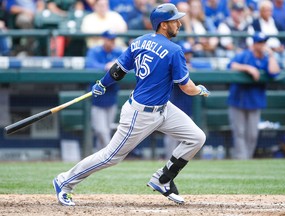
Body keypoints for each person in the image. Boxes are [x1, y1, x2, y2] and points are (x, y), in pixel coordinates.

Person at [53, 3, 210, 206]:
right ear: (163, 25)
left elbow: (118, 70)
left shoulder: (139, 41)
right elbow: (187, 88)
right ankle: (64, 181)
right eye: (175, 21)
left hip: (163, 108)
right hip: (140, 113)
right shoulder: (174, 50)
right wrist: (200, 90)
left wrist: (103, 83)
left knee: (196, 137)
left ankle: (163, 179)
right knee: (110, 156)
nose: (179, 23)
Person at [227, 32, 280, 160]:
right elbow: (231, 65)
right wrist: (248, 68)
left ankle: (248, 158)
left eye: (264, 42)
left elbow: (275, 72)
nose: (262, 45)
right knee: (239, 132)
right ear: (254, 44)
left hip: (256, 100)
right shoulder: (245, 56)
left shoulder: (267, 58)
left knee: (252, 134)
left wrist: (272, 55)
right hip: (238, 99)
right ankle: (241, 159)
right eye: (260, 42)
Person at [85, 30, 123, 152]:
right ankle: (110, 152)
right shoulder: (95, 51)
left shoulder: (117, 51)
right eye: (109, 39)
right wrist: (105, 66)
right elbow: (89, 65)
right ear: (104, 39)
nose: (111, 42)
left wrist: (114, 64)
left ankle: (100, 155)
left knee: (106, 130)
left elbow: (126, 64)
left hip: (111, 95)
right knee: (101, 130)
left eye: (113, 40)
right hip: (98, 97)